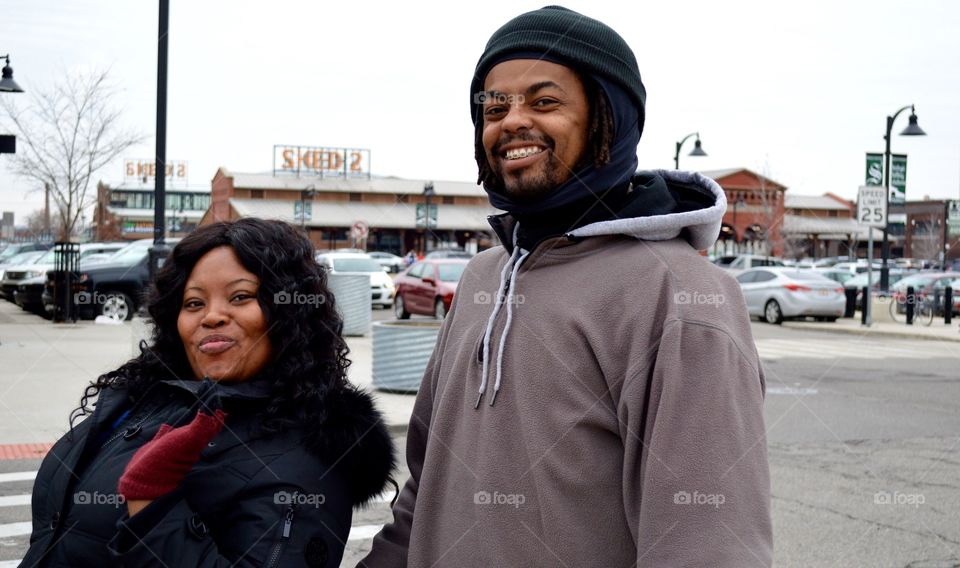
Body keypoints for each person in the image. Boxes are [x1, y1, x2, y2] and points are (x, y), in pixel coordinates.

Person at [361, 6, 771, 567]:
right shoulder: (485, 276)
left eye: (544, 101)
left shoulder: (680, 298)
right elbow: (427, 488)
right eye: (495, 106)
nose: (511, 122)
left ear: (610, 117)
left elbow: (708, 547)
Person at [23, 218, 395, 567]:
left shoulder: (308, 459)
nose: (211, 316)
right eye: (194, 303)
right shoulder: (151, 395)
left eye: (239, 297)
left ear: (290, 315)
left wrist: (152, 504)